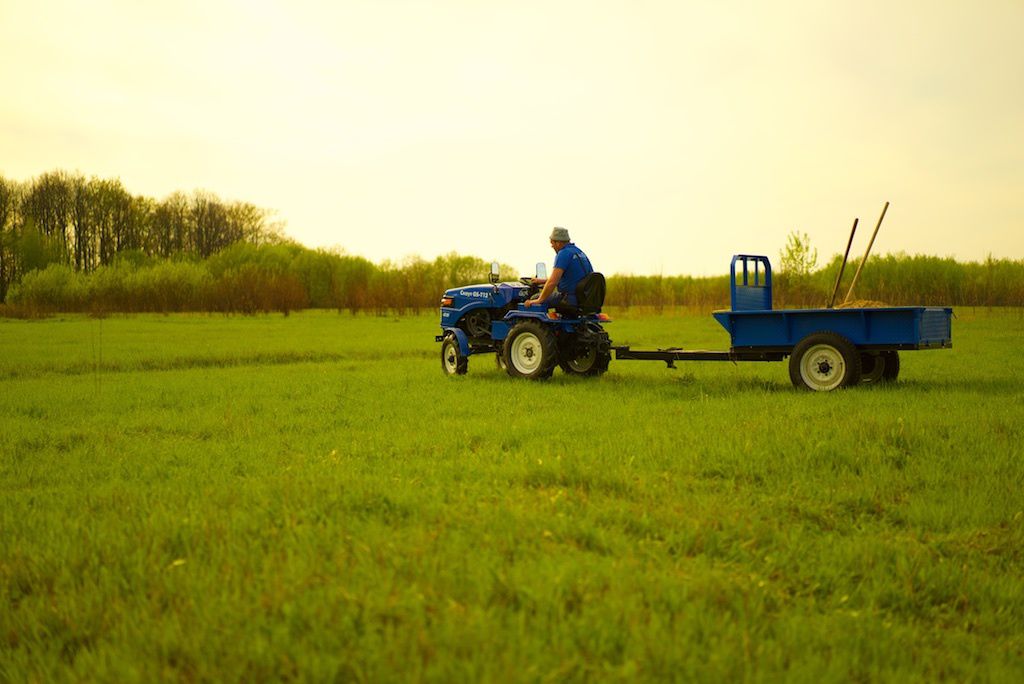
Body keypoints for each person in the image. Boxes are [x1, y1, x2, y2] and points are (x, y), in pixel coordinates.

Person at [525, 227, 593, 308]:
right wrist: (542, 281)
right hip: (584, 298)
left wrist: (539, 300)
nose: (551, 246)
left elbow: (552, 282)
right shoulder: (579, 252)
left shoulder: (563, 253)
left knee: (534, 298)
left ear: (558, 243)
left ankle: (532, 321)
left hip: (569, 299)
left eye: (552, 243)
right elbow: (574, 278)